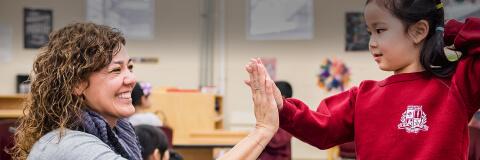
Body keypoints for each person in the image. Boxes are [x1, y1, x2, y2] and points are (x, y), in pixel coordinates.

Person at [245, 0, 480, 159]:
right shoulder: (363, 96)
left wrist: (446, 30)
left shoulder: (457, 84)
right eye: (369, 32)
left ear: (419, 31)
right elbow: (319, 128)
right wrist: (281, 106)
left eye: (380, 30)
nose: (372, 43)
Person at [10, 22, 142, 160]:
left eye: (130, 67)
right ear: (77, 84)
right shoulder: (67, 145)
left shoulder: (120, 134)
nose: (132, 79)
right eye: (116, 70)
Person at [258, 81, 293, 160]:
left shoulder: (287, 116)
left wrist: (261, 134)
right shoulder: (272, 112)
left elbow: (277, 141)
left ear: (282, 97)